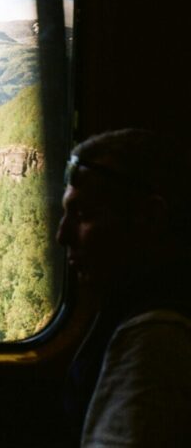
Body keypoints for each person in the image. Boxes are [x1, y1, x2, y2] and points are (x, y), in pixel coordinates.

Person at [57, 128, 191, 447]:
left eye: (84, 215)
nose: (62, 235)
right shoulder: (132, 307)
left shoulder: (158, 338)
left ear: (150, 217)